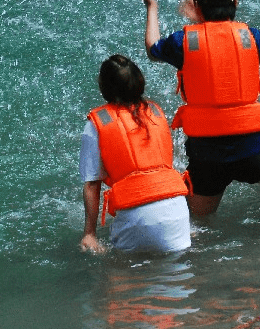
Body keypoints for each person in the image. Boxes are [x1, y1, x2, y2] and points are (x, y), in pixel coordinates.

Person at [134, 0, 260, 218]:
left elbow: (152, 48)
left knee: (198, 222)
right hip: (252, 150)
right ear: (235, 4)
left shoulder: (183, 41)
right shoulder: (254, 38)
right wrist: (204, 18)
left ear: (196, 5)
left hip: (206, 156)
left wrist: (152, 5)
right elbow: (226, 44)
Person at [79, 54, 191, 254]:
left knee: (122, 277)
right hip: (178, 215)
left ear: (104, 87)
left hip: (137, 218)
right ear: (140, 81)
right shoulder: (156, 112)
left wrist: (90, 234)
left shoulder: (97, 123)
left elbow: (92, 183)